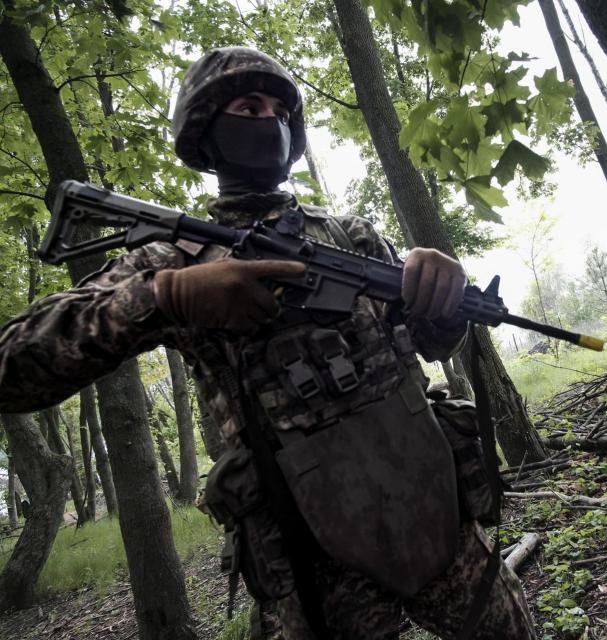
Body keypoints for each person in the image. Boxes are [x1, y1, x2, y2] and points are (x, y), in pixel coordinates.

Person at [0, 47, 535, 639]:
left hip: (429, 512)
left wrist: (445, 296)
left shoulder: (350, 235)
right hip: (311, 561)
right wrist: (164, 297)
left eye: (282, 111)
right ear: (207, 126)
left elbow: (427, 343)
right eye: (249, 106)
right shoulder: (174, 259)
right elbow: (12, 366)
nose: (270, 122)